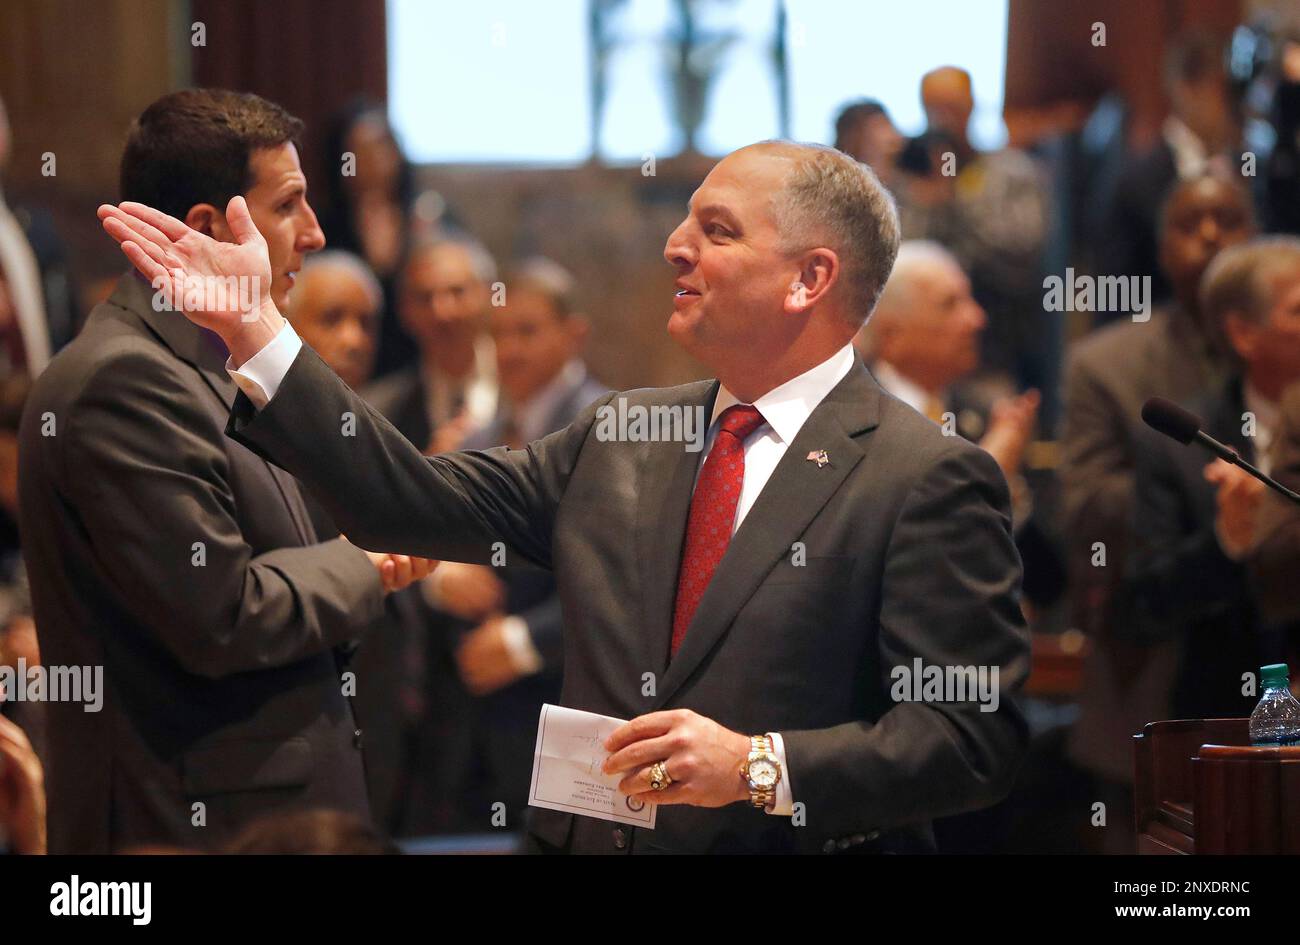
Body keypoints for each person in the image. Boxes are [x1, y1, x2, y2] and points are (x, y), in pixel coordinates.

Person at [101, 139, 1030, 855]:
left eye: (717, 230)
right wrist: (260, 332)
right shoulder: (625, 433)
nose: (673, 247)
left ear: (810, 278)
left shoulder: (924, 474)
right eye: (687, 224)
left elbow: (972, 738)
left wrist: (759, 764)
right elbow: (410, 499)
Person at [21, 89, 434, 854]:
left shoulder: (216, 362)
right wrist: (367, 560)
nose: (314, 234)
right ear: (211, 228)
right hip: (183, 832)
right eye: (290, 206)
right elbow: (222, 612)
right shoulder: (126, 380)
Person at [1061, 174, 1254, 847]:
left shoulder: (1284, 353)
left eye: (1229, 220)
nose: (1211, 235)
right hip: (1149, 662)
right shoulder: (1105, 362)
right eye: (1190, 223)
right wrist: (1189, 494)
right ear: (1162, 246)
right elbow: (1080, 504)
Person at [416, 257, 608, 833]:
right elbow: (434, 545)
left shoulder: (613, 426)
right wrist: (440, 578)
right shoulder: (476, 436)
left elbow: (629, 577)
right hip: (467, 714)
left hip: (567, 699)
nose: (511, 350)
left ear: (574, 334)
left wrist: (528, 640)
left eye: (527, 331)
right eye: (498, 335)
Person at [1127, 237, 1300, 719]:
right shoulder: (1180, 442)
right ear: (1244, 335)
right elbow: (1143, 608)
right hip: (1224, 723)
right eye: (1298, 311)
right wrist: (1225, 541)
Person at [860, 241, 1062, 611]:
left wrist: (1009, 491)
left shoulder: (987, 417)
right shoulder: (851, 418)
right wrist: (984, 482)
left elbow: (1048, 584)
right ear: (891, 335)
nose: (977, 318)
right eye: (951, 305)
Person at [1097, 31, 1243, 312]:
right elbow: (1116, 297)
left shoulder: (1249, 169)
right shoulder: (1136, 180)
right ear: (1186, 89)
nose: (1236, 106)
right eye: (1227, 90)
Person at [363, 238, 500, 455]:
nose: (442, 312)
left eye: (457, 292)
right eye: (424, 298)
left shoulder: (532, 382)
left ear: (489, 297)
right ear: (404, 311)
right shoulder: (379, 412)